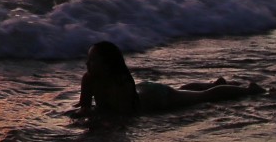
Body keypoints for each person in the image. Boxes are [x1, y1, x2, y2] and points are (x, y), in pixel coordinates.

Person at [73, 40, 259, 121]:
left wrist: (97, 118)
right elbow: (85, 107)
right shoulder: (89, 79)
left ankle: (248, 90)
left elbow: (126, 115)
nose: (87, 63)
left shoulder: (122, 83)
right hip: (144, 89)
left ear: (107, 64)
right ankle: (215, 83)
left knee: (202, 97)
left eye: (92, 60)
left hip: (157, 97)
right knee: (183, 90)